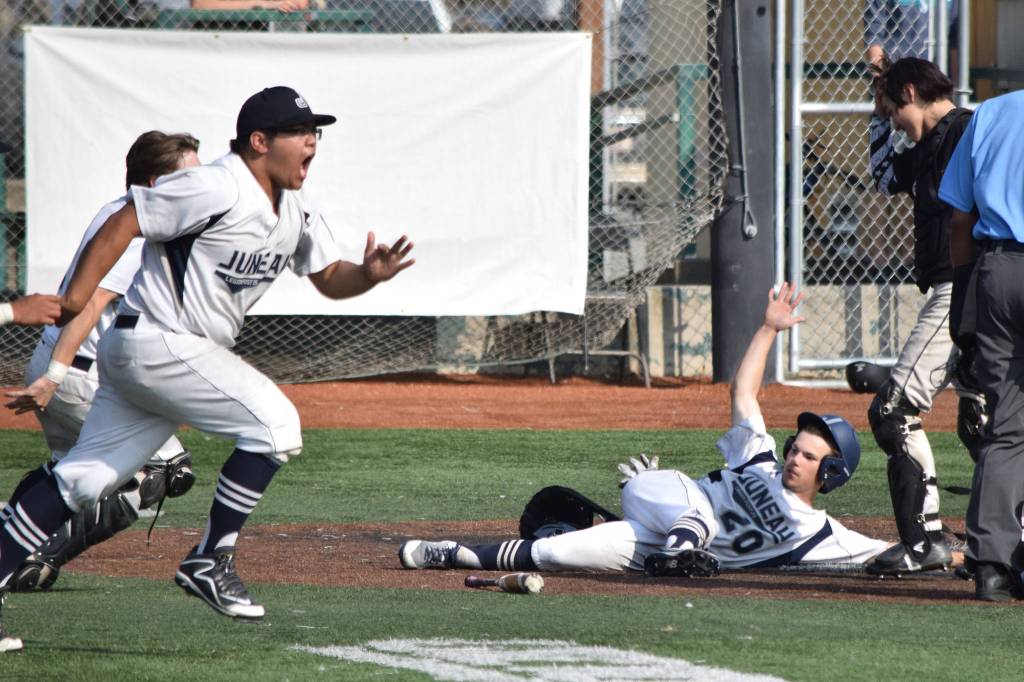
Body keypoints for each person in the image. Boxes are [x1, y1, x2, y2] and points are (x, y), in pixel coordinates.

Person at [0, 85, 415, 652]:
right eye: (300, 132)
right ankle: (209, 557)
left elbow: (328, 276)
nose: (312, 142)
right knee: (275, 426)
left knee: (84, 480)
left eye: (315, 132)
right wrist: (75, 299)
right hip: (159, 341)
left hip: (149, 355)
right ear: (260, 141)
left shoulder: (295, 208)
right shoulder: (216, 183)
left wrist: (368, 275)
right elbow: (126, 217)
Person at [399, 284, 888, 577]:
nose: (794, 457)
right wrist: (767, 329)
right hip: (669, 499)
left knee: (553, 552)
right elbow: (743, 393)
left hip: (646, 546)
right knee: (691, 506)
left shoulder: (822, 535)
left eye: (808, 456)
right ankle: (683, 551)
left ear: (832, 472)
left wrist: (959, 554)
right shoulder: (758, 460)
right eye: (796, 447)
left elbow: (895, 554)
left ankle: (450, 554)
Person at [2, 131, 204, 594]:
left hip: (67, 364)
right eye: (189, 176)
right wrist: (55, 376)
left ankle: (12, 534)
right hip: (77, 371)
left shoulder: (122, 211)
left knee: (67, 472)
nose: (200, 185)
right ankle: (34, 558)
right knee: (162, 470)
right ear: (155, 184)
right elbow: (90, 303)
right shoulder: (139, 230)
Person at [857, 57, 973, 577]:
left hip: (967, 286)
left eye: (893, 111)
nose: (892, 121)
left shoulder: (968, 132)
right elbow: (882, 175)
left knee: (894, 411)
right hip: (967, 289)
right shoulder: (927, 146)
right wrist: (876, 98)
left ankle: (924, 540)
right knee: (984, 423)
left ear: (912, 91)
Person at [938, 90, 1024, 602]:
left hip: (997, 270)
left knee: (1007, 426)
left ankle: (991, 567)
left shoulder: (991, 112)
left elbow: (958, 219)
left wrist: (964, 292)